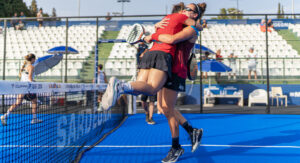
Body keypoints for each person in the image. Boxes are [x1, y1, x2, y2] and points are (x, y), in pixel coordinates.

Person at [144, 2, 206, 162]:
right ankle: (192, 131)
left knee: (168, 108)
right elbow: (168, 29)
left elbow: (170, 39)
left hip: (177, 71)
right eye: (184, 8)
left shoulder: (191, 30)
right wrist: (156, 26)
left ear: (195, 15)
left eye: (189, 10)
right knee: (162, 107)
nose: (184, 10)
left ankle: (176, 147)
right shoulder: (182, 24)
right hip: (167, 68)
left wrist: (153, 35)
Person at [1, 54, 43, 126]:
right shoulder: (31, 67)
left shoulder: (24, 67)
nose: (35, 60)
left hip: (21, 88)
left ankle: (5, 116)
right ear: (32, 59)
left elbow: (26, 78)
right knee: (34, 102)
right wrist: (34, 82)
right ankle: (34, 119)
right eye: (34, 59)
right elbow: (29, 79)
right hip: (28, 88)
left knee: (18, 103)